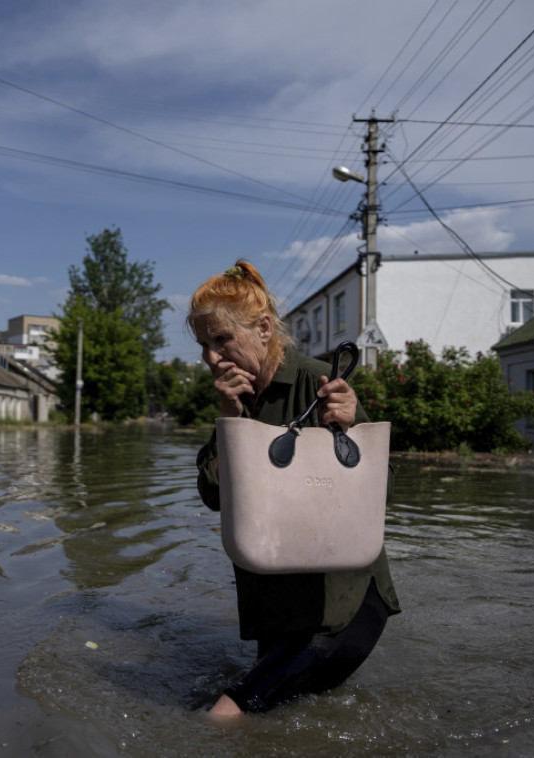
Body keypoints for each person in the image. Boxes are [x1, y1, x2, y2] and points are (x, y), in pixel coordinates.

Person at [187, 260, 400, 716]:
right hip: (277, 608)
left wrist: (349, 424)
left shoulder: (318, 380)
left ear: (264, 328)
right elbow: (213, 498)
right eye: (203, 344)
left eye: (222, 339)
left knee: (225, 715)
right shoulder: (238, 398)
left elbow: (382, 494)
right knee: (285, 723)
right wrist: (229, 418)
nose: (210, 357)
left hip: (340, 606)